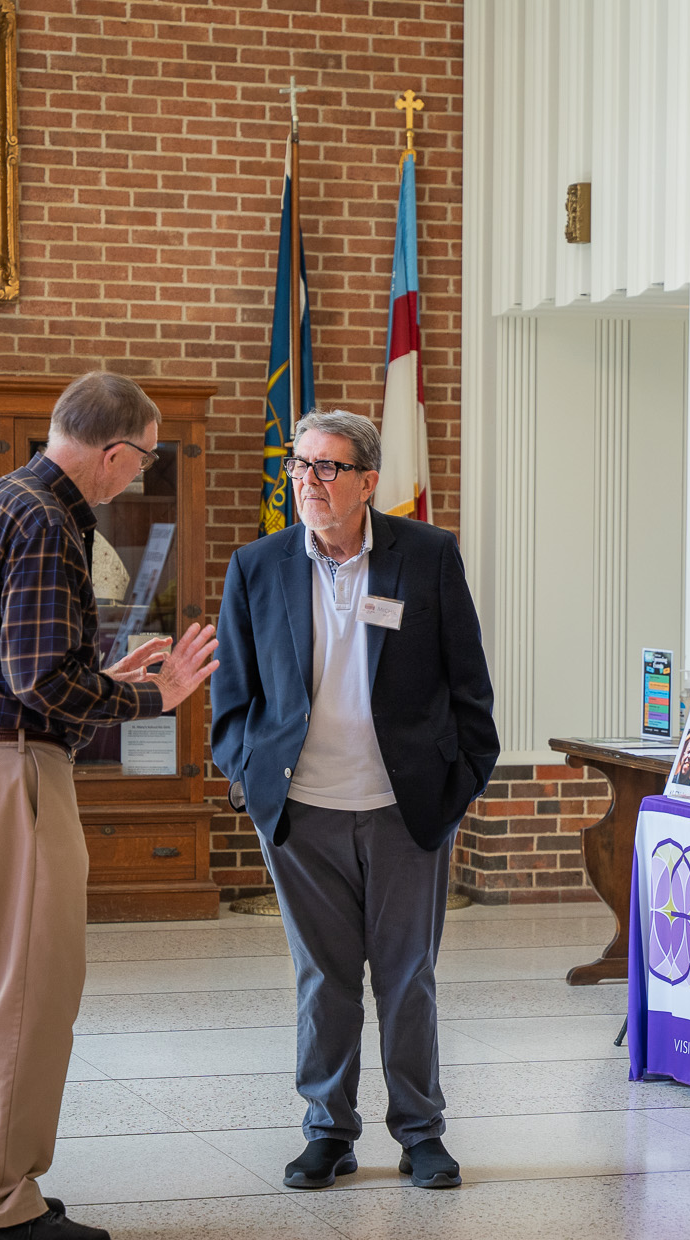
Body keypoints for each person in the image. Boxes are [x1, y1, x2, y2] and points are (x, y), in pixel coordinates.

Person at [0, 371, 219, 1240]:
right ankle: (0, 1204)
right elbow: (41, 683)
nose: (140, 474)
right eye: (144, 460)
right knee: (31, 994)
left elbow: (13, 661)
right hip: (10, 768)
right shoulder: (53, 522)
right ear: (114, 452)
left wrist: (107, 678)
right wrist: (153, 698)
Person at [211, 408, 499, 1193]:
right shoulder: (258, 565)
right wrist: (250, 777)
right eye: (300, 465)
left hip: (405, 810)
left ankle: (421, 1133)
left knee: (408, 977)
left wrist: (456, 787)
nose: (308, 480)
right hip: (302, 814)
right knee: (324, 978)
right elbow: (233, 697)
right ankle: (328, 1131)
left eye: (327, 466)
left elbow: (470, 687)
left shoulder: (427, 556)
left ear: (368, 481)